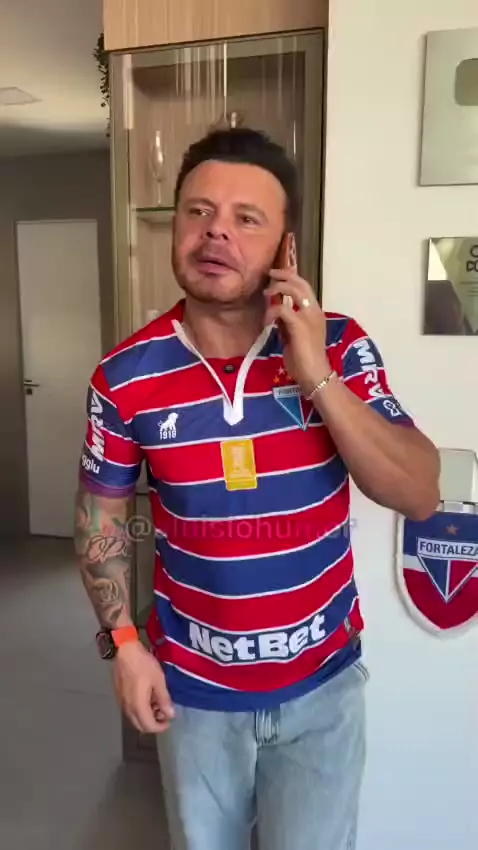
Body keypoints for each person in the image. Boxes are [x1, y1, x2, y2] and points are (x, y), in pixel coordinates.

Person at [74, 127, 440, 850]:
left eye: (247, 218)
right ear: (175, 227)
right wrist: (124, 646)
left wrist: (315, 373)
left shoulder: (340, 344)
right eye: (198, 211)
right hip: (194, 697)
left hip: (322, 689)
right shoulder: (123, 376)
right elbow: (100, 520)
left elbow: (418, 492)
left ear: (284, 249)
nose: (216, 232)